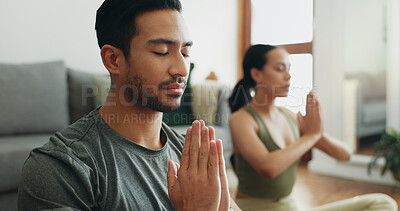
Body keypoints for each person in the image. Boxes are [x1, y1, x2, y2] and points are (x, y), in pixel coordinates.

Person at [18, 0, 240, 210]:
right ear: (113, 59)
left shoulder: (190, 154)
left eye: (185, 53)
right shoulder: (61, 167)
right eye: (162, 51)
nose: (182, 69)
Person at [228, 44, 397, 211]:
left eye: (289, 69)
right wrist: (310, 136)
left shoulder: (289, 116)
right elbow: (269, 168)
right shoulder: (241, 119)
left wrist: (318, 134)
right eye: (280, 69)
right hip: (253, 208)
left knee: (382, 203)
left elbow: (344, 155)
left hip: (289, 207)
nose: (288, 76)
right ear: (256, 74)